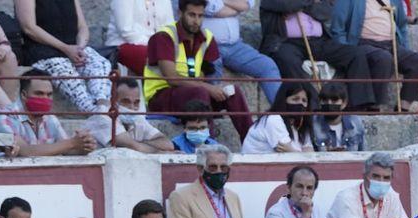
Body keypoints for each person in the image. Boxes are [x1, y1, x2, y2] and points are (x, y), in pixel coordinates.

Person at [143, 0, 253, 141]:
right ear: (180, 13)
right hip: (161, 97)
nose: (196, 21)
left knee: (233, 92)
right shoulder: (164, 36)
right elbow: (171, 78)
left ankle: (252, 142)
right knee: (200, 91)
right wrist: (207, 87)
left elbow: (207, 73)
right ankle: (209, 145)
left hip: (193, 95)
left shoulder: (207, 37)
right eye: (192, 15)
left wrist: (215, 89)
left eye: (200, 16)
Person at [258, 0, 377, 111]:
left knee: (355, 54)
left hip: (319, 41)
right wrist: (310, 2)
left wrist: (299, 5)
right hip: (285, 42)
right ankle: (314, 103)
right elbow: (286, 5)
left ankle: (359, 105)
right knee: (286, 59)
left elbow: (325, 12)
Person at [167, 144, 269, 218]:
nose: (219, 172)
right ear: (200, 169)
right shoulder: (181, 196)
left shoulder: (232, 197)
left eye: (224, 167)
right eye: (213, 167)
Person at [15, 0, 112, 113]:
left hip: (73, 47)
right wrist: (65, 48)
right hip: (43, 50)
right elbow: (29, 28)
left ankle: (103, 105)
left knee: (101, 63)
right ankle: (97, 112)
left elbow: (82, 26)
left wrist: (79, 48)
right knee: (64, 71)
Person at [331, 0, 418, 112]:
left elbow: (402, 25)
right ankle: (374, 107)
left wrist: (405, 48)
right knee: (384, 58)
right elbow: (337, 27)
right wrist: (347, 50)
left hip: (392, 44)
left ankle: (403, 108)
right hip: (363, 43)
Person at [0, 69, 98, 156]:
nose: (45, 99)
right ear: (23, 95)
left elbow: (65, 150)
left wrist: (83, 146)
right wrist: (72, 143)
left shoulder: (50, 118)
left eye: (49, 94)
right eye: (39, 93)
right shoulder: (2, 117)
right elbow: (24, 151)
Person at [201, 0, 284, 105]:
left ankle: (282, 112)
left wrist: (222, 2)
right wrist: (236, 8)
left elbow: (247, 4)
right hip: (208, 45)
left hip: (236, 46)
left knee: (267, 65)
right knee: (212, 67)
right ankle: (208, 113)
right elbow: (212, 8)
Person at [327, 151, 409, 218]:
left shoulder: (392, 197)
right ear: (365, 176)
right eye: (376, 176)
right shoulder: (346, 198)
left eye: (386, 178)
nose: (381, 182)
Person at [265, 165, 345, 218]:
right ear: (288, 188)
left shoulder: (316, 210)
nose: (304, 193)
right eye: (299, 186)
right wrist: (305, 216)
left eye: (309, 188)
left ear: (314, 191)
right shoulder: (276, 213)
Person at [84, 77, 175, 152]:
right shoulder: (103, 116)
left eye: (136, 102)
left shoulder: (136, 118)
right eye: (126, 102)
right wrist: (161, 152)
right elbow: (134, 148)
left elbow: (168, 144)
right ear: (113, 101)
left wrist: (138, 143)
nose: (131, 108)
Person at [240, 81, 313, 153]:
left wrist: (293, 151)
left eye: (304, 101)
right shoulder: (273, 119)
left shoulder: (301, 125)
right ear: (284, 100)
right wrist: (295, 151)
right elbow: (288, 154)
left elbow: (309, 152)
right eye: (295, 99)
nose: (300, 103)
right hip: (254, 164)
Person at [105, 0, 174, 74]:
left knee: (181, 57)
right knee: (158, 61)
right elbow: (125, 31)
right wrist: (154, 45)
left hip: (155, 46)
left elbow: (169, 27)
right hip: (123, 44)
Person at [312, 81, 366, 151]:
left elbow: (363, 152)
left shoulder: (355, 121)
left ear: (344, 103)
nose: (329, 104)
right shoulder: (313, 123)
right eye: (324, 100)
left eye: (334, 100)